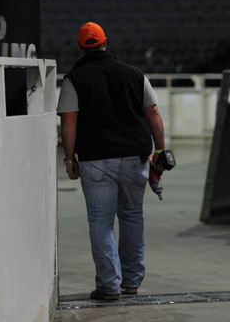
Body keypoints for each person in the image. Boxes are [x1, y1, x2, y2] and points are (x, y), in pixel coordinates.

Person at [57, 22, 165, 301]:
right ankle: (131, 282)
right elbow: (153, 114)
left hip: (95, 161)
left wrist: (69, 159)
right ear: (106, 42)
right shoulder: (134, 74)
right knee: (132, 216)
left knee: (100, 222)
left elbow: (68, 123)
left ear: (81, 47)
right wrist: (159, 152)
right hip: (134, 158)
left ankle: (108, 285)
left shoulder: (74, 79)